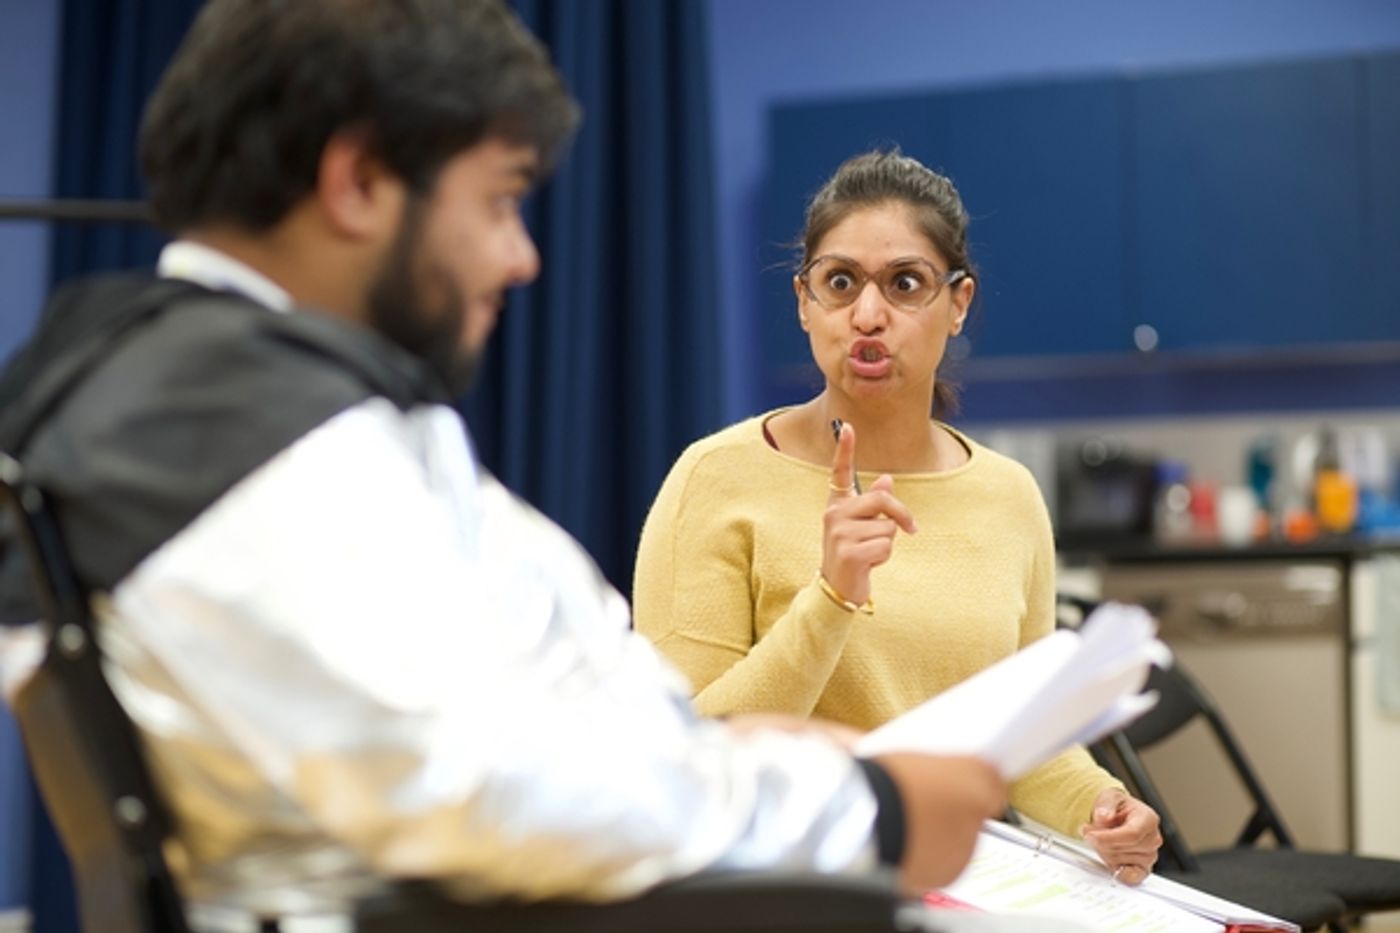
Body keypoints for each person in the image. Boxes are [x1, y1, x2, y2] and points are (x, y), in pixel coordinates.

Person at [0, 4, 1014, 929]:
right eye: (496, 202)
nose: (520, 257)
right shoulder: (241, 442)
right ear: (358, 183)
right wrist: (869, 811)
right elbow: (490, 788)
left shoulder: (240, 405)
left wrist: (731, 752)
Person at [633, 150, 1162, 883]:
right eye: (839, 282)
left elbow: (1022, 738)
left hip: (961, 880)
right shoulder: (715, 479)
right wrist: (830, 599)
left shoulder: (1009, 496)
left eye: (905, 283)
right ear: (803, 301)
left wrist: (1099, 805)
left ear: (958, 303)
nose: (867, 315)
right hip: (784, 886)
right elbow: (685, 754)